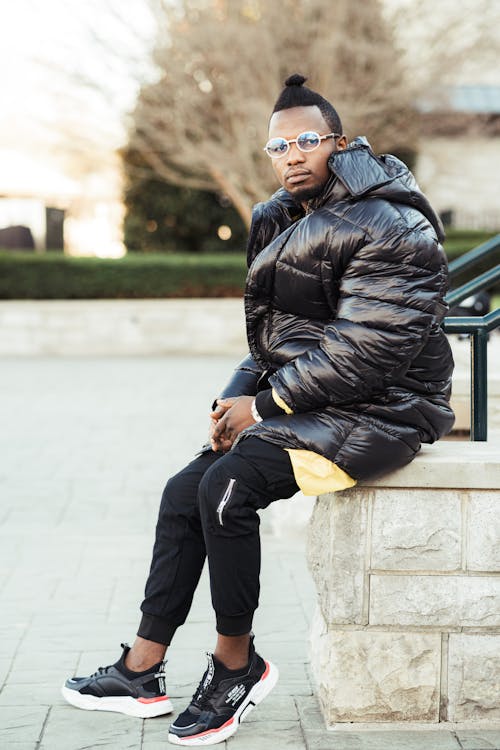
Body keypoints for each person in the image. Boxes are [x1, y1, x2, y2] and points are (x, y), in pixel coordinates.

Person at [62, 74, 455, 746]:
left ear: (337, 141)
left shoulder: (392, 222)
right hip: (318, 399)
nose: (293, 154)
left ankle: (235, 666)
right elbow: (275, 335)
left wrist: (266, 405)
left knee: (228, 488)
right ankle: (142, 668)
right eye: (279, 145)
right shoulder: (280, 215)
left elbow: (369, 349)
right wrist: (232, 400)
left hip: (390, 407)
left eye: (307, 140)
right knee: (184, 490)